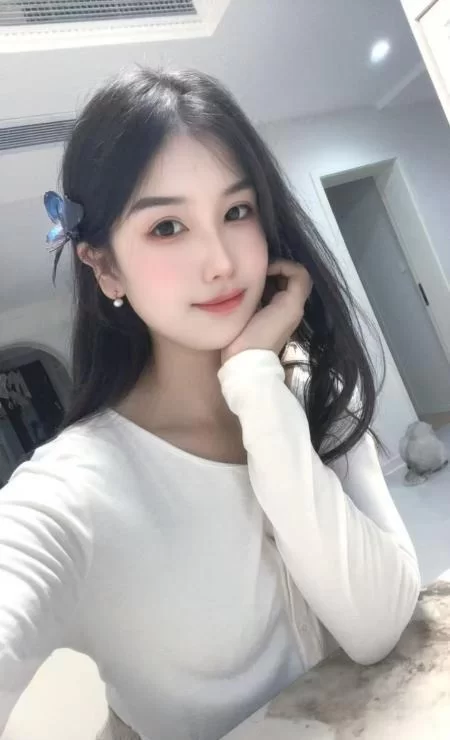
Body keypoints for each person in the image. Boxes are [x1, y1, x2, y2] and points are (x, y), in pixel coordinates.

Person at [0, 68, 420, 740]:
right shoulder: (72, 492)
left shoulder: (310, 397)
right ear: (104, 267)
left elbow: (378, 626)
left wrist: (255, 380)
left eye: (236, 211)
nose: (221, 260)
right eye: (167, 226)